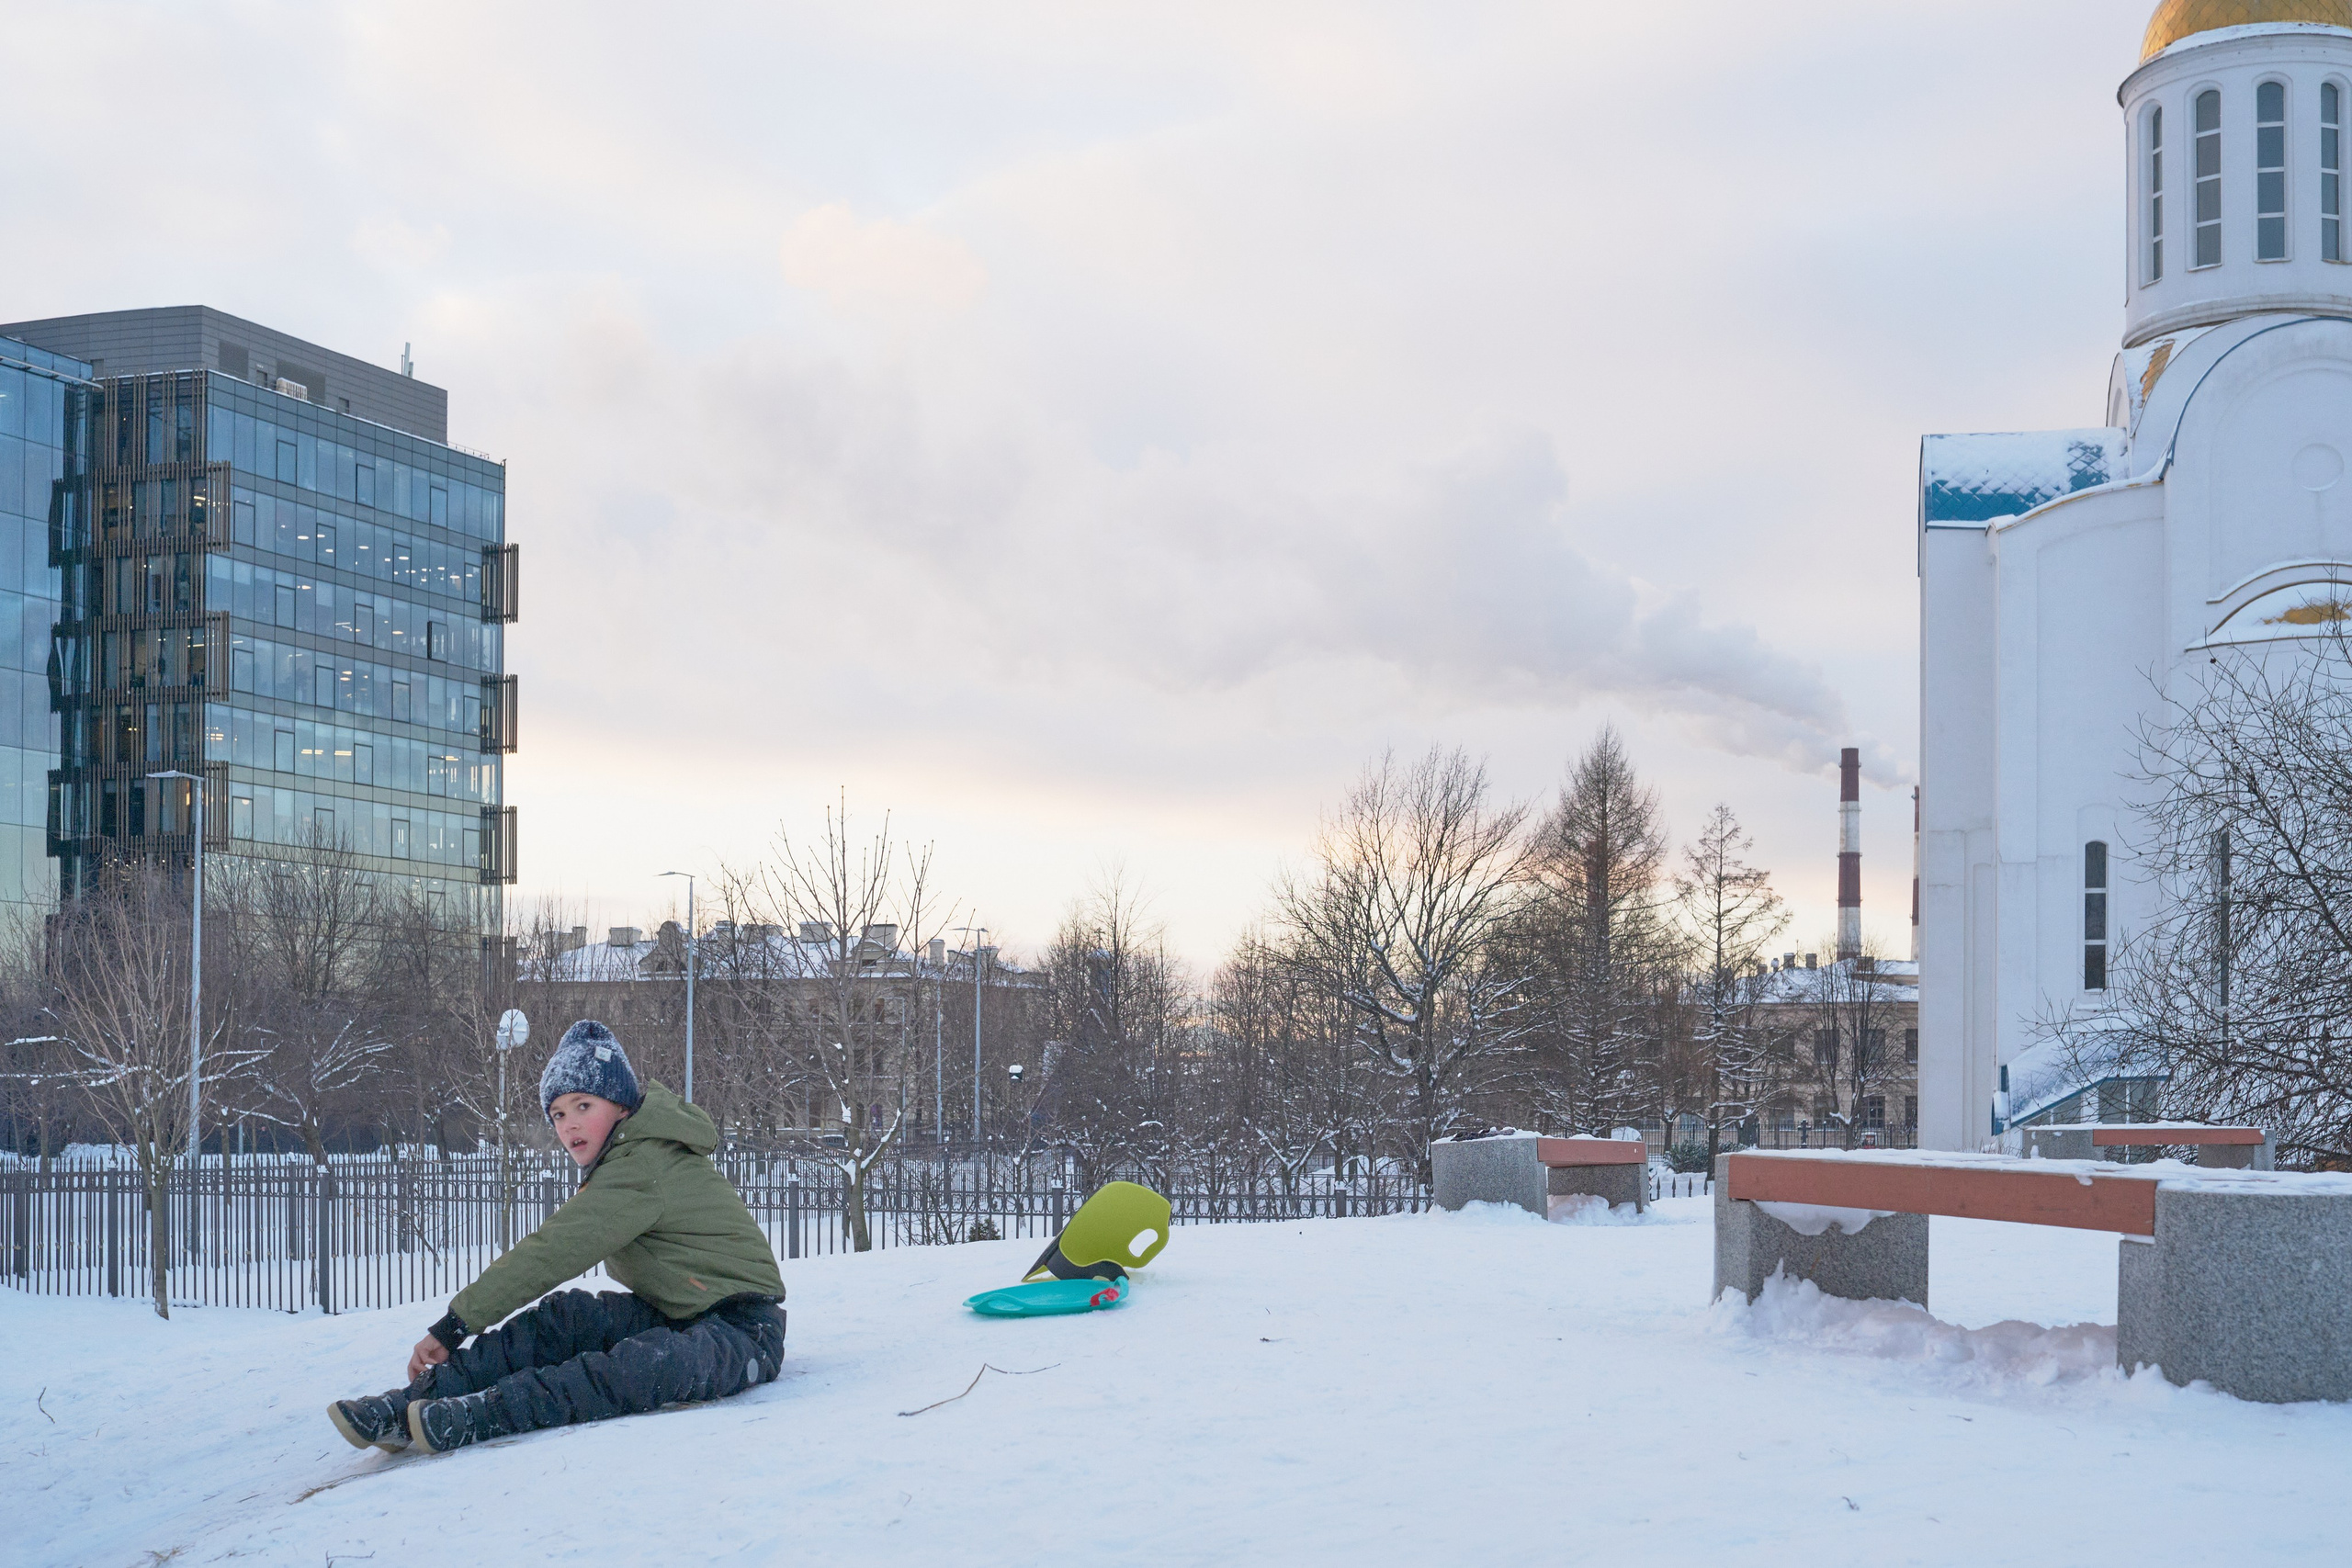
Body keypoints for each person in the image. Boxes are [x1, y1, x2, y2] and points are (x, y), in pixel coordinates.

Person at [326, 1020, 786, 1454]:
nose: (568, 1125)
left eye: (584, 1106)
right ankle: (408, 1404)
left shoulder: (643, 1165)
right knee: (566, 1318)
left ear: (622, 1106)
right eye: (558, 1113)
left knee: (633, 1368)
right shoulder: (624, 1161)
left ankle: (478, 1415)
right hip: (675, 1314)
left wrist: (456, 1323)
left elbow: (551, 1252)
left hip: (744, 1332)